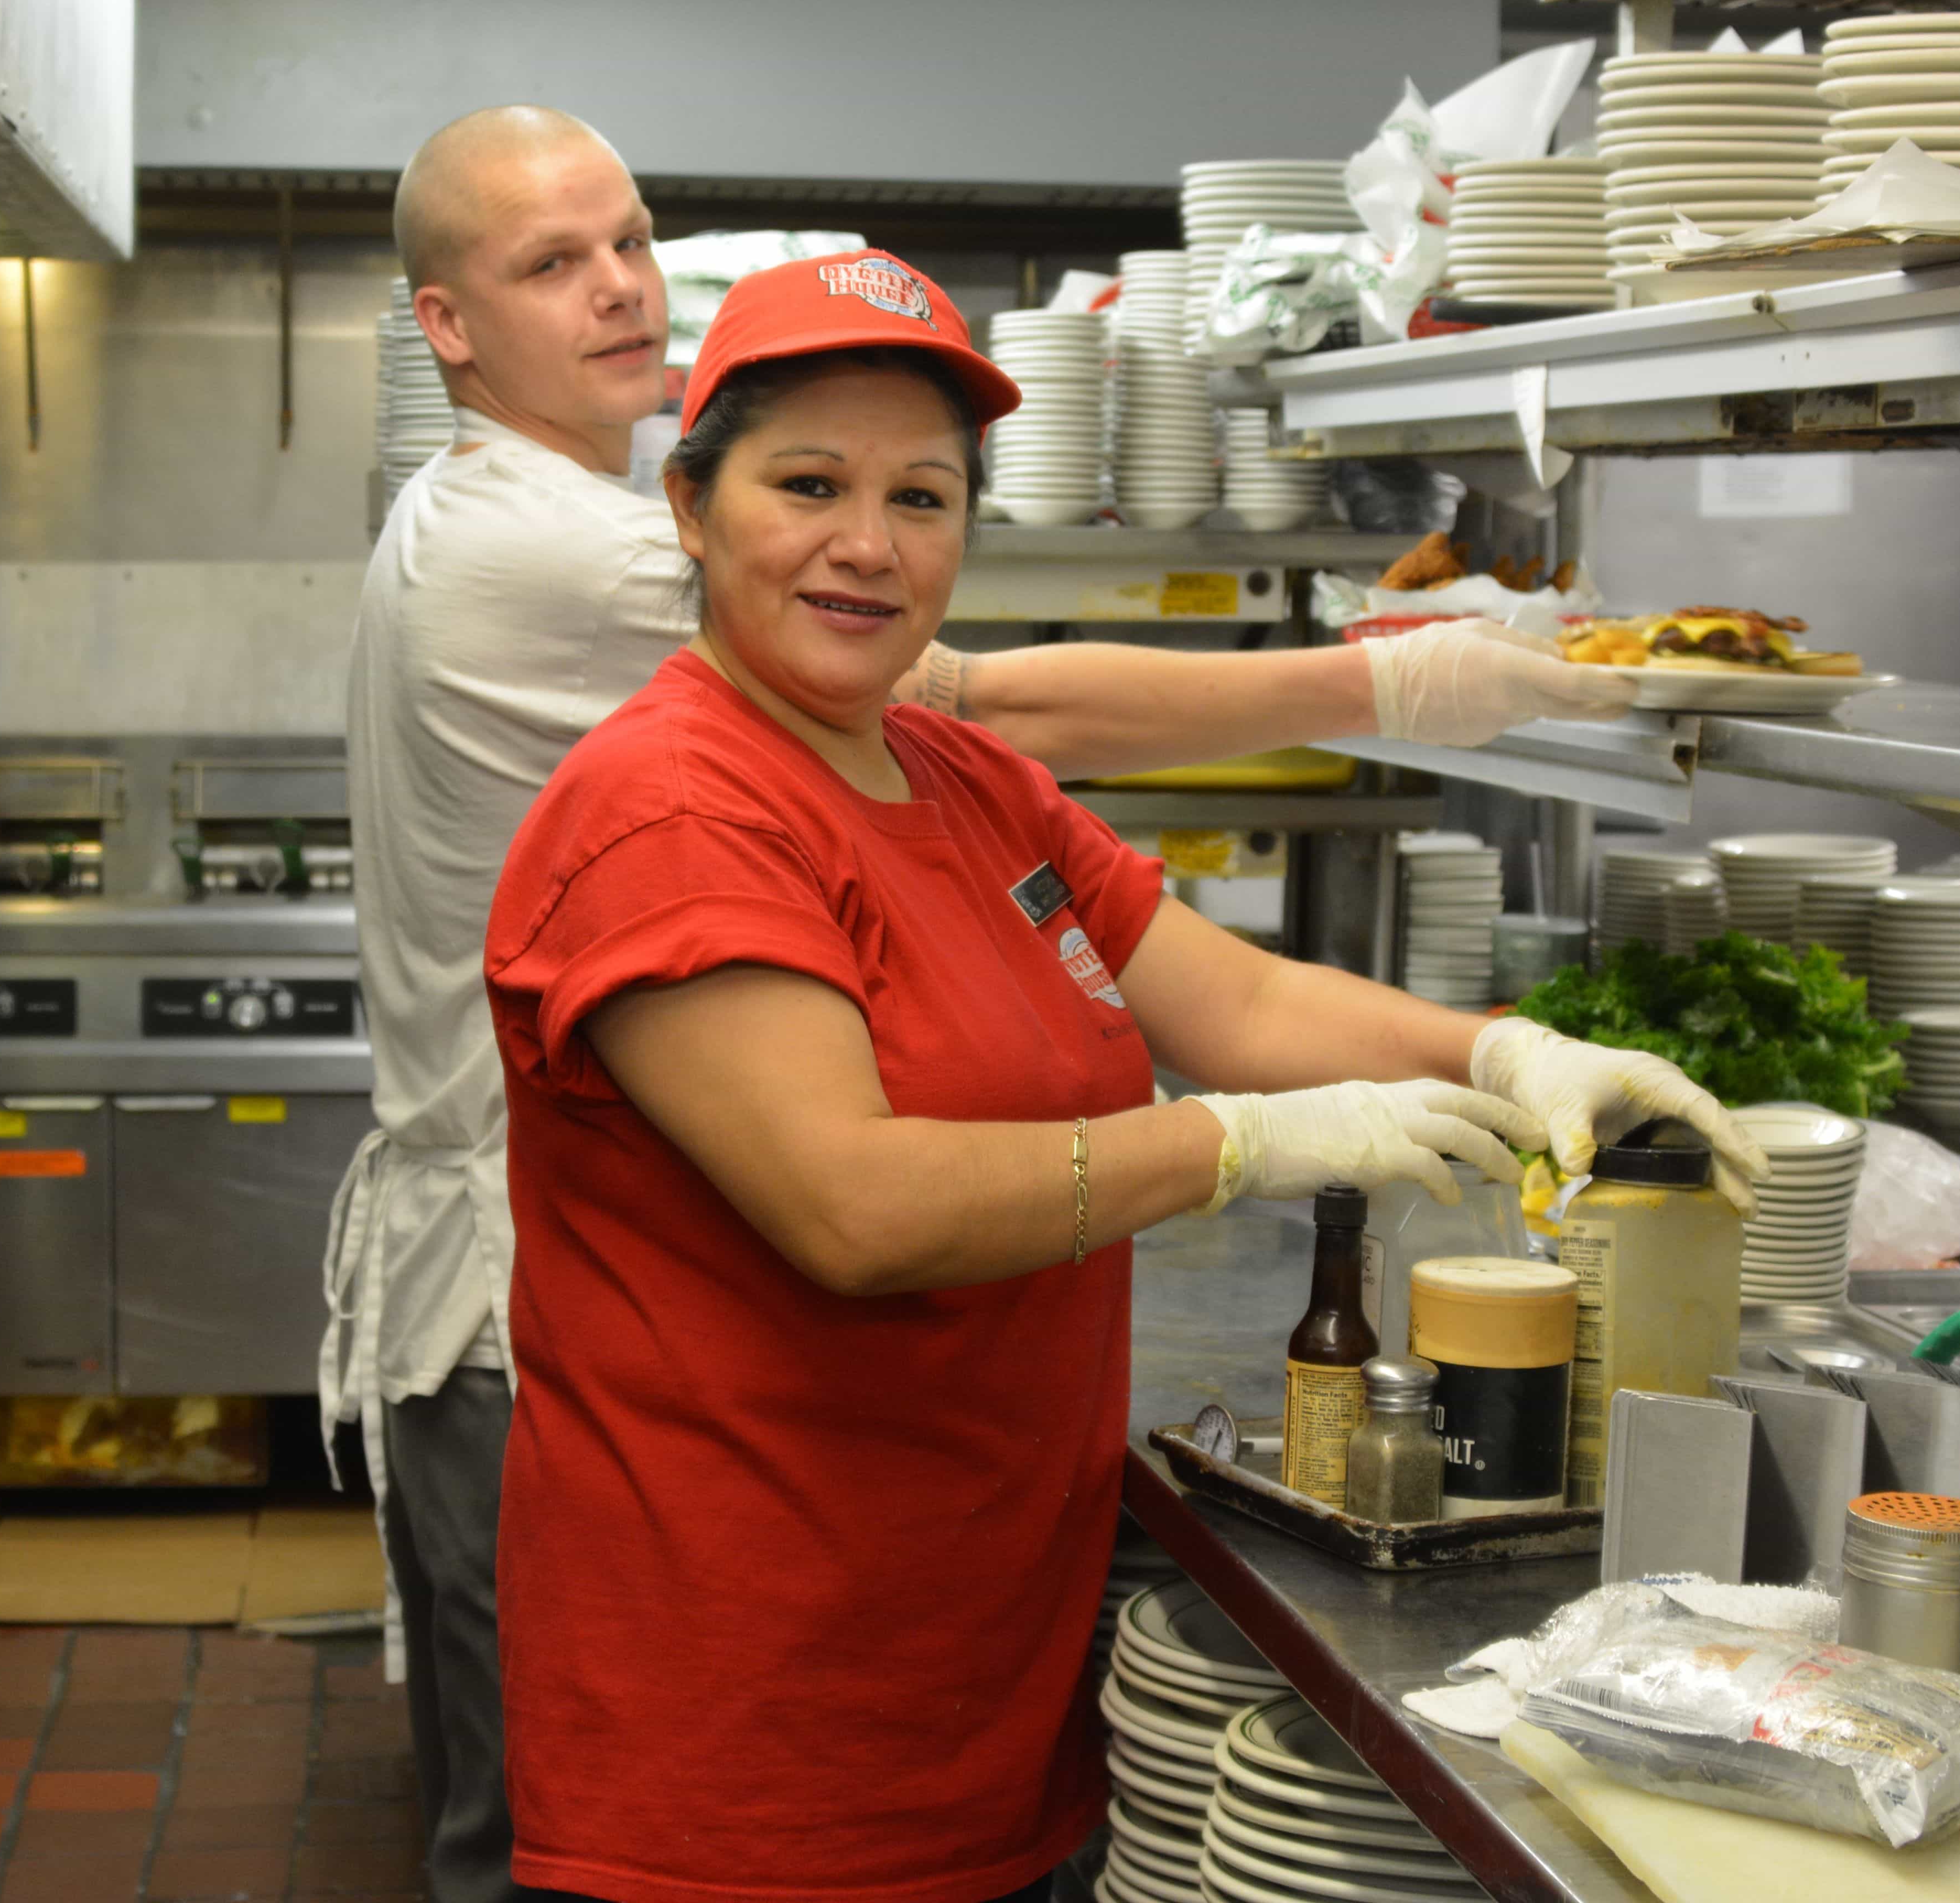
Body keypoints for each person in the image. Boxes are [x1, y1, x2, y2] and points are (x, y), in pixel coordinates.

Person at [324, 106, 1643, 1902]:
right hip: (748, 1724)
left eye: (921, 497)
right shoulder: (665, 787)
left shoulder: (943, 784)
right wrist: (1248, 1125)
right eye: (807, 485)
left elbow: (1236, 995)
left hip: (960, 1688)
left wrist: (1509, 1049)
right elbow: (860, 1206)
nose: (863, 544)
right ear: (691, 507)